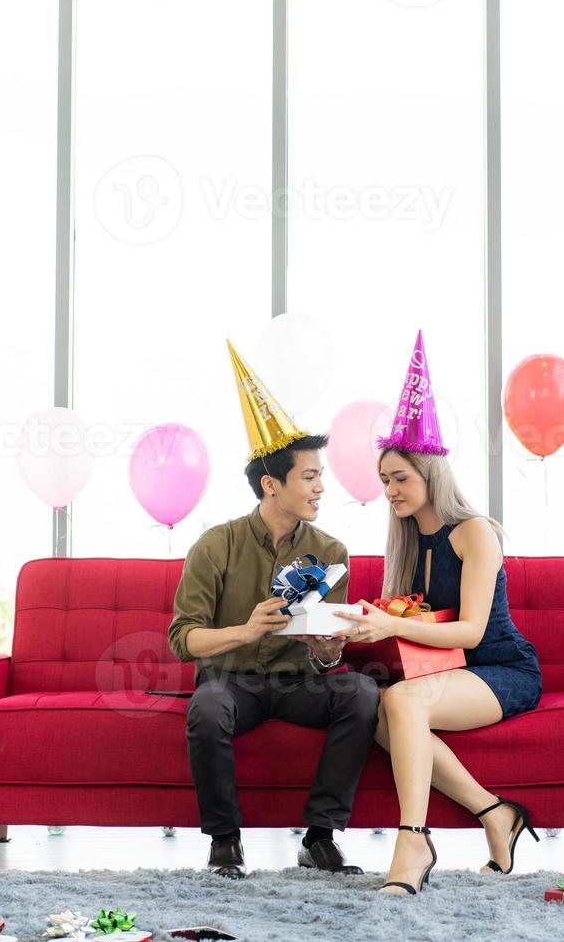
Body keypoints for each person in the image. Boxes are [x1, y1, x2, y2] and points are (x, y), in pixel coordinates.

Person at [335, 330, 542, 896]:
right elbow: (409, 632)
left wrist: (392, 624)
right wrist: (348, 634)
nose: (391, 491)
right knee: (378, 710)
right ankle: (496, 813)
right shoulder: (405, 546)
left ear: (432, 474)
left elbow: (473, 630)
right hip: (447, 673)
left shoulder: (475, 532)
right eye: (384, 481)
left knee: (399, 701)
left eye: (400, 478)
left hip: (501, 669)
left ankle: (413, 839)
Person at [168, 340, 379, 880]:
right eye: (309, 476)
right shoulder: (216, 545)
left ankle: (320, 837)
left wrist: (330, 651)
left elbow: (329, 654)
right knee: (207, 707)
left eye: (320, 475)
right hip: (231, 682)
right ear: (271, 484)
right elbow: (182, 637)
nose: (319, 486)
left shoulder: (330, 551)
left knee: (360, 690)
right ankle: (224, 842)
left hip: (298, 684)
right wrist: (244, 630)